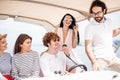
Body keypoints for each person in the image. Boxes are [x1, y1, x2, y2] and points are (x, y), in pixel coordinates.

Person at [85, 0, 120, 72]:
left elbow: (111, 33)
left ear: (104, 11)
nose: (96, 15)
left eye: (98, 12)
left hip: (112, 57)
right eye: (94, 13)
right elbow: (87, 46)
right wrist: (94, 62)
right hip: (99, 59)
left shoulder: (109, 21)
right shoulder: (89, 27)